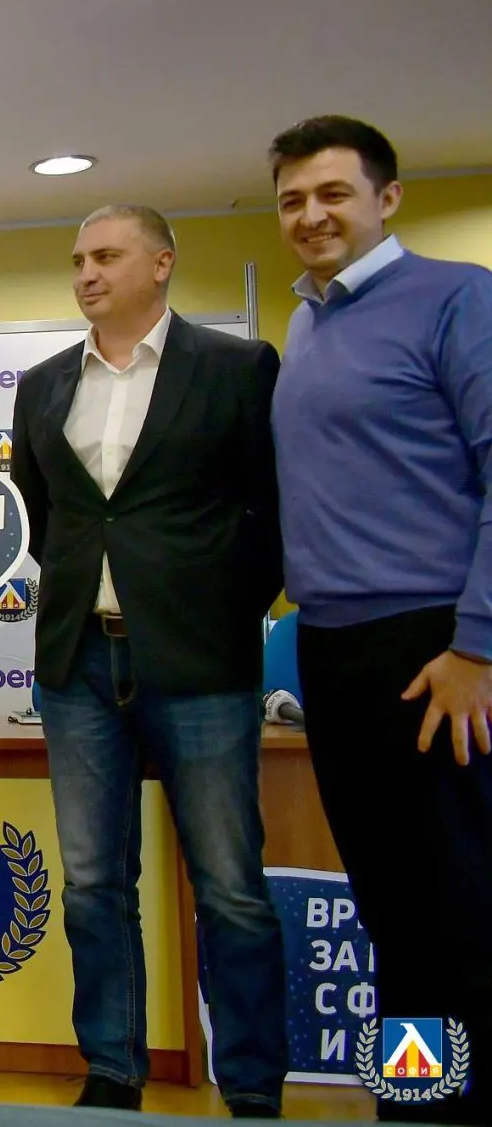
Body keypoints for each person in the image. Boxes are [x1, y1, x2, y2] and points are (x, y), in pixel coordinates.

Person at [8, 205, 286, 1115]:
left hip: (202, 662)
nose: (86, 272)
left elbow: (271, 511)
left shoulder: (238, 366)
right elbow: (41, 517)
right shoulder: (44, 384)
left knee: (230, 887)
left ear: (161, 262)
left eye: (106, 255)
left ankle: (252, 1087)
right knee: (93, 884)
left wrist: (218, 609)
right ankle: (113, 1072)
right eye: (77, 258)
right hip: (78, 663)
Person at [266, 116, 492, 1124]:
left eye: (333, 193)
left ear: (386, 198)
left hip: (438, 649)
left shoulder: (458, 298)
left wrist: (478, 647)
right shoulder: (308, 323)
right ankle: (416, 1104)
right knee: (393, 912)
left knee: (464, 908)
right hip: (335, 650)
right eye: (292, 200)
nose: (311, 215)